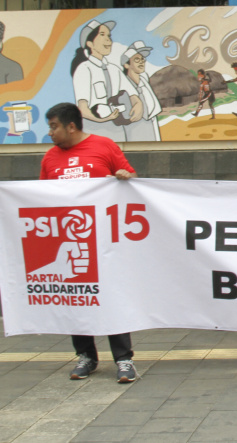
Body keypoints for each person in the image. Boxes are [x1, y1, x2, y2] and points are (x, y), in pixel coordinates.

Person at [39, 102, 138, 383]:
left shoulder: (104, 146)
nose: (50, 133)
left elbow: (133, 179)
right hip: (69, 242)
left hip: (105, 241)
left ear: (72, 126)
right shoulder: (50, 158)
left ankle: (123, 359)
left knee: (111, 296)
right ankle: (85, 356)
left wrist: (124, 177)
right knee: (77, 297)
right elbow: (41, 199)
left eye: (54, 126)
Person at [70, 19, 140, 142]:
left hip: (117, 130)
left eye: (109, 36)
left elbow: (132, 93)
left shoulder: (114, 69)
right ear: (90, 43)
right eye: (102, 35)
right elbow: (82, 108)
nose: (108, 40)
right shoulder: (84, 69)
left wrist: (138, 105)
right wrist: (102, 119)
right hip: (94, 130)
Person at [121, 41, 162, 141]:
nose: (141, 62)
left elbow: (152, 114)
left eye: (142, 59)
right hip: (133, 133)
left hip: (150, 131)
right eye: (136, 59)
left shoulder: (144, 82)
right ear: (127, 65)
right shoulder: (123, 87)